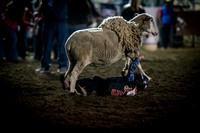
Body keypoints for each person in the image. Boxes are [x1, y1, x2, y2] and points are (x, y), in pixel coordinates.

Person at [60, 54, 148, 97]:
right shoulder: (133, 92)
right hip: (107, 92)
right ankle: (70, 84)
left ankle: (86, 91)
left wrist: (138, 59)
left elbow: (132, 68)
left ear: (139, 81)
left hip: (108, 86)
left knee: (96, 79)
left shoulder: (132, 81)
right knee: (90, 81)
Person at [35, 0, 70, 74]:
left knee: (62, 45)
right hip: (49, 22)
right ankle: (44, 66)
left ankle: (63, 66)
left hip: (61, 21)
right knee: (47, 45)